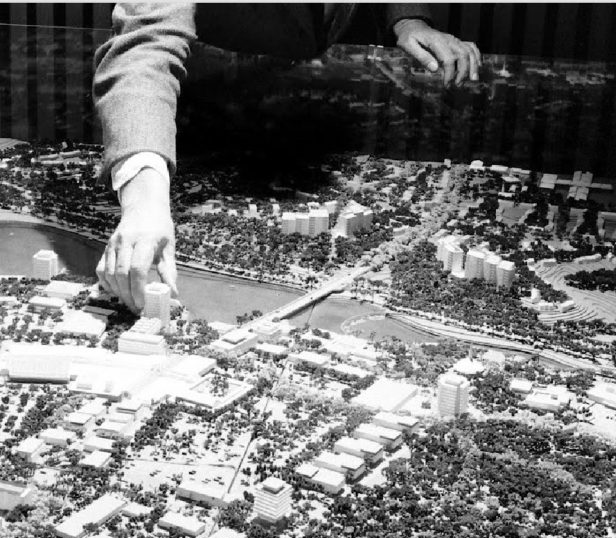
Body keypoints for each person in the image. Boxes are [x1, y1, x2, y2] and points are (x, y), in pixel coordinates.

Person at [92, 3, 482, 312]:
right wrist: (145, 202)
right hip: (204, 114)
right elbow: (143, 51)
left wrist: (407, 18)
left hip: (332, 117)